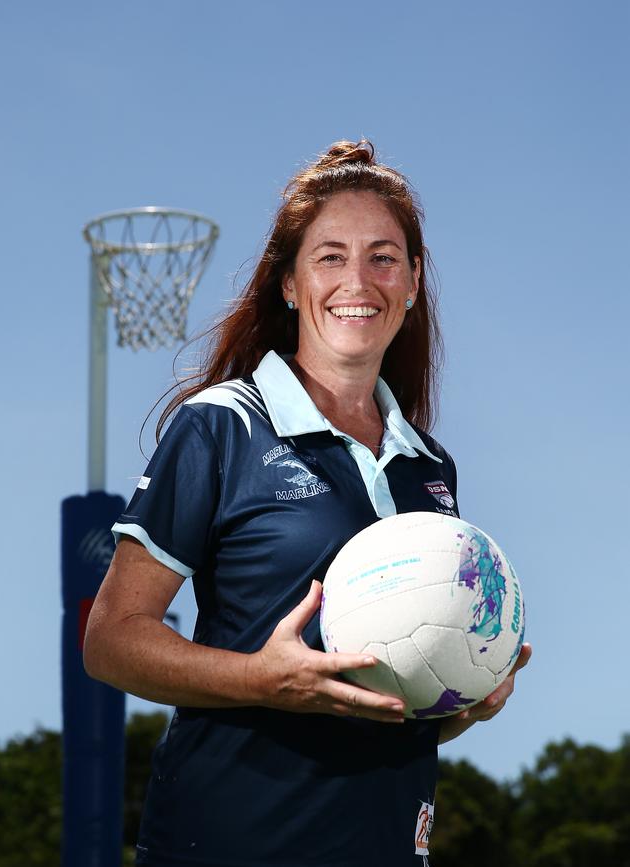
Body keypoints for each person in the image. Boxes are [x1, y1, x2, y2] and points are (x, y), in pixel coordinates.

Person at [84, 140, 531, 867]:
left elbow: (386, 703)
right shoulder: (222, 424)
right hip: (230, 841)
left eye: (384, 257)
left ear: (413, 280)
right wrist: (265, 677)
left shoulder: (431, 466)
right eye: (330, 256)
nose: (359, 279)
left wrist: (461, 693)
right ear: (289, 284)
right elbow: (110, 640)